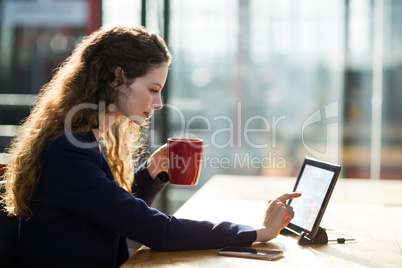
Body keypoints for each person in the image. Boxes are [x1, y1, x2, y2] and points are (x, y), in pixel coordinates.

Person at [1, 26, 300, 268]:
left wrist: (151, 173)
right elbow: (157, 230)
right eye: (153, 90)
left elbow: (114, 214)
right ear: (118, 79)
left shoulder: (85, 139)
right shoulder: (69, 152)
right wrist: (259, 233)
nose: (158, 103)